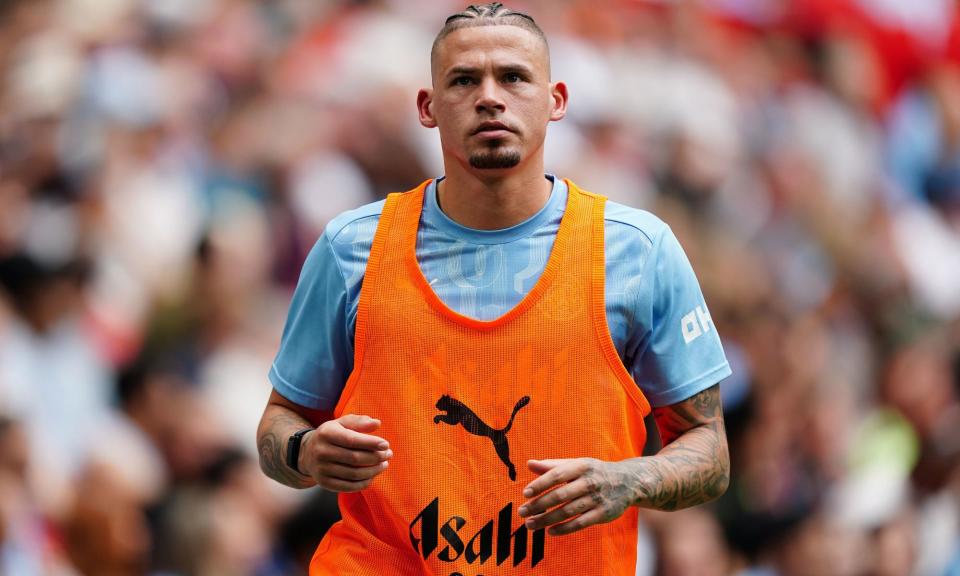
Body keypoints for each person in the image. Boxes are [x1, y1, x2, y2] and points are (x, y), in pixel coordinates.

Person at [256, 3, 731, 574]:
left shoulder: (636, 251)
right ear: (428, 108)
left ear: (555, 100)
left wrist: (629, 479)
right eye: (463, 80)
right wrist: (304, 452)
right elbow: (279, 423)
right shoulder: (351, 249)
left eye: (512, 76)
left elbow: (710, 449)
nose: (489, 96)